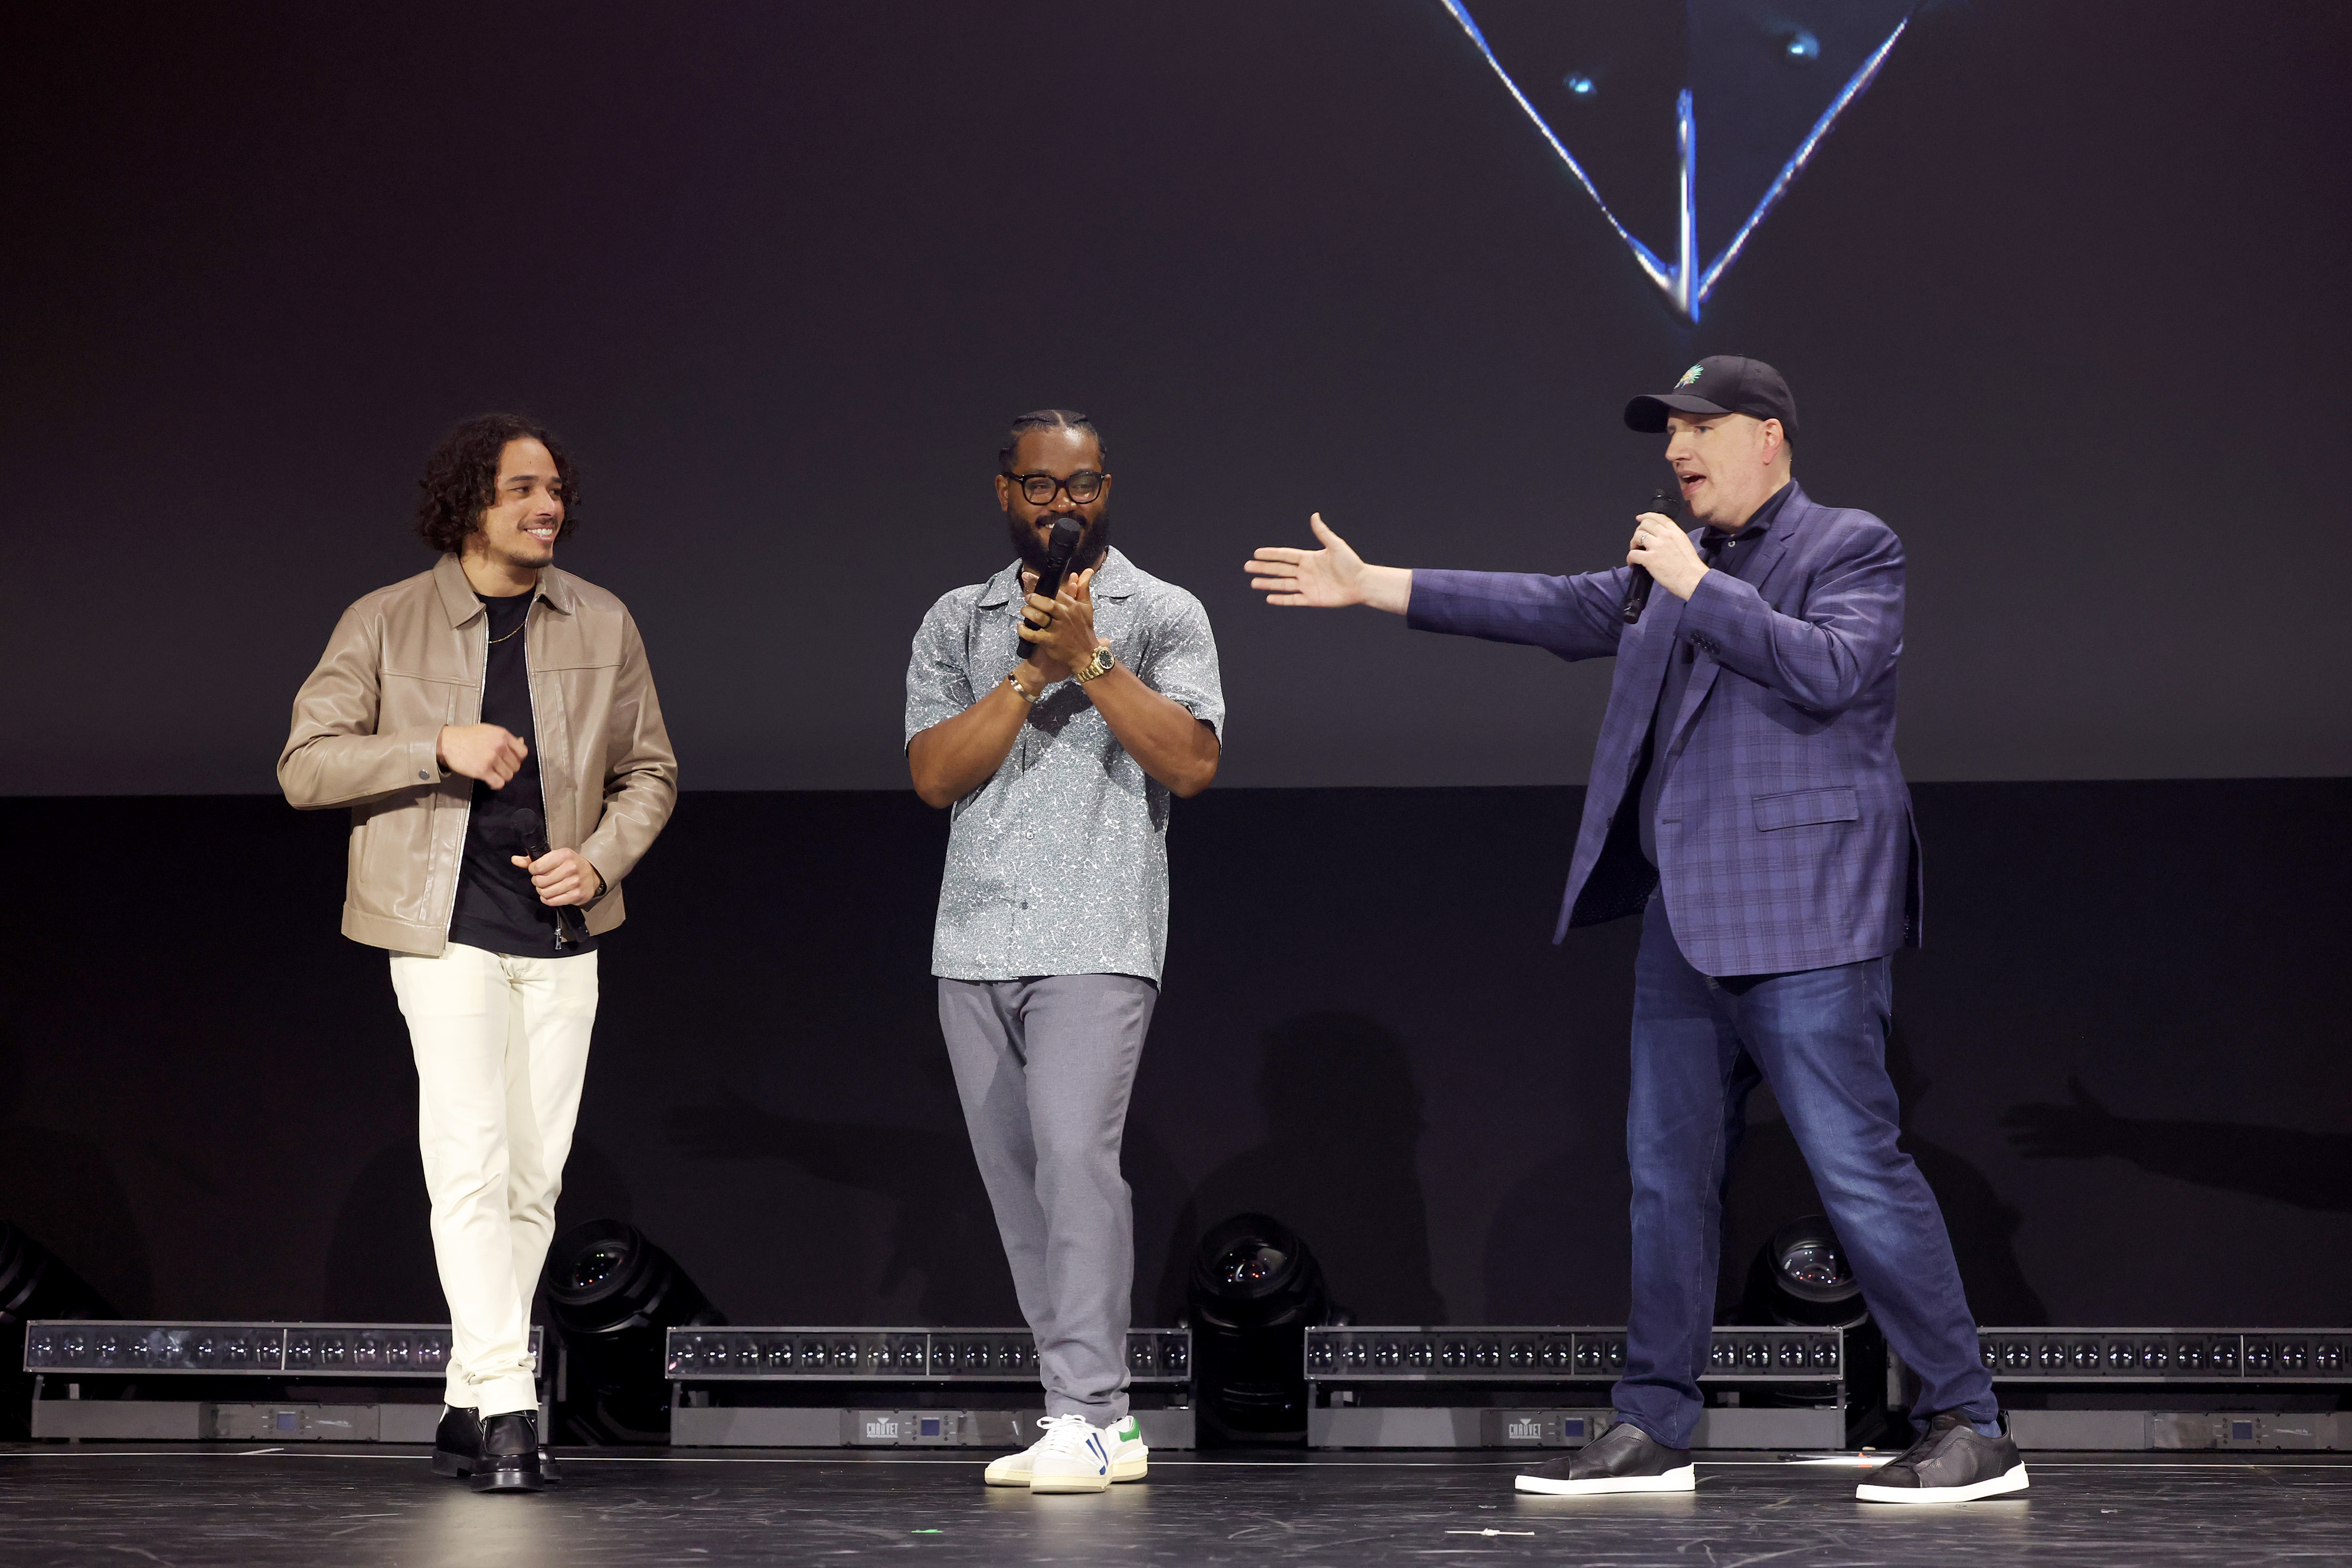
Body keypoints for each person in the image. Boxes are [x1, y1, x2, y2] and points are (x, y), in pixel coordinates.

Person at [1244, 357, 2026, 1505]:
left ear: (1768, 436)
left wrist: (1698, 588)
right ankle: (1654, 1423)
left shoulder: (1851, 545)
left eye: (1700, 426)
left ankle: (1970, 1422)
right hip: (1687, 921)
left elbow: (1832, 669)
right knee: (1665, 1180)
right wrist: (1378, 587)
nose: (1676, 448)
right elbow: (1556, 608)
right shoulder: (1674, 565)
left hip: (1809, 917)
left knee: (1858, 1172)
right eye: (1669, 430)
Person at [279, 413, 677, 1493]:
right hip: (439, 929)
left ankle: (466, 1399)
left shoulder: (601, 619)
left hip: (561, 935)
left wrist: (599, 861)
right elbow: (306, 766)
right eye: (523, 490)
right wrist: (433, 747)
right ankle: (508, 1409)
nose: (549, 508)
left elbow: (650, 771)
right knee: (469, 1163)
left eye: (555, 490)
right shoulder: (385, 621)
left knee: (532, 1181)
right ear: (469, 505)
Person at [906, 408, 1223, 1493]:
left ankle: (1089, 1410)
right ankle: (1086, 1417)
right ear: (1007, 493)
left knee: (1076, 1161)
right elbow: (935, 776)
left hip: (1096, 928)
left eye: (1081, 486)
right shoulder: (958, 619)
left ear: (1106, 491)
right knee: (1017, 1186)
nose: (1062, 506)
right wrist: (1027, 676)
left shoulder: (1163, 611)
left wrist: (1090, 661)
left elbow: (1192, 763)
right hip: (974, 935)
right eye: (1041, 487)